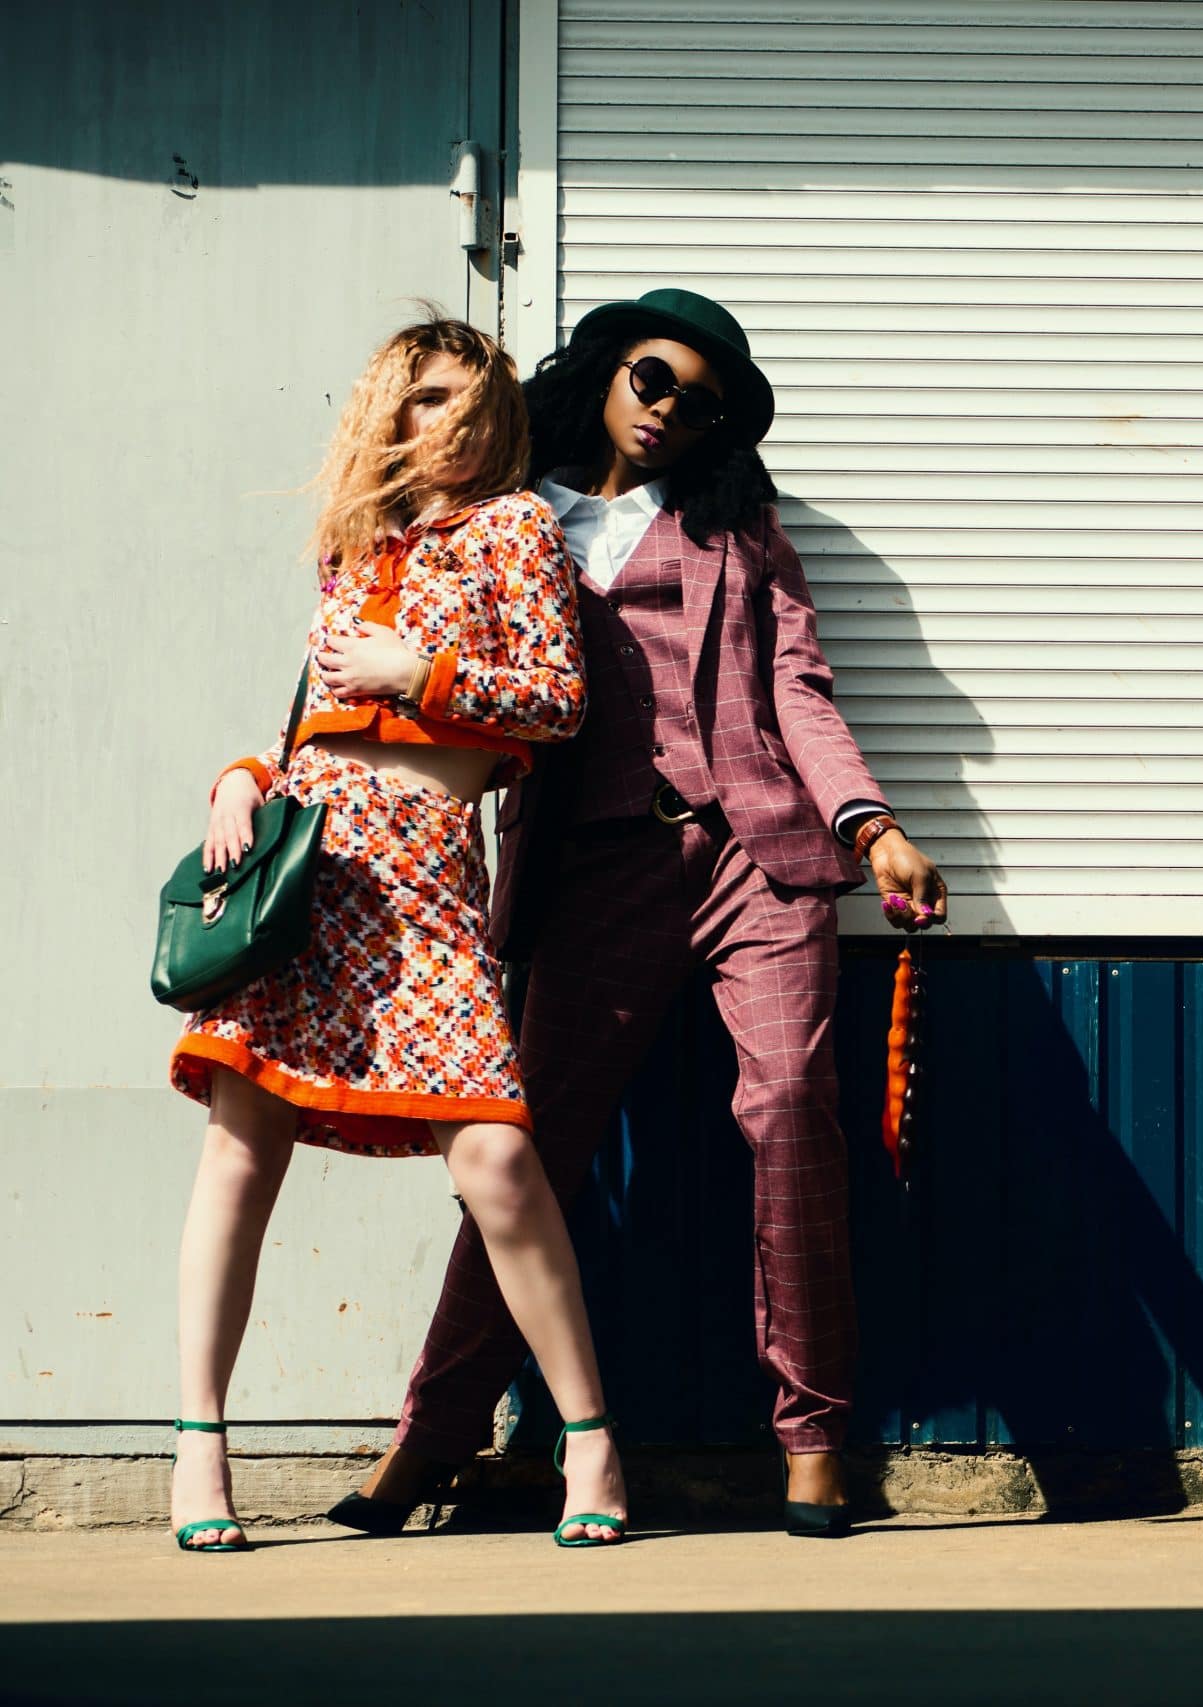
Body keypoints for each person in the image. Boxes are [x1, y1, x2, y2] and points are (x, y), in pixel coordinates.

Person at [339, 288, 943, 1540]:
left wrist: (870, 824)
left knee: (788, 1115)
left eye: (702, 403)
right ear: (609, 373)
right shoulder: (508, 518)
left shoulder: (738, 526)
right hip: (590, 868)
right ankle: (433, 1439)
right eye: (654, 379)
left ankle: (816, 1440)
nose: (672, 410)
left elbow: (800, 691)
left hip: (754, 856)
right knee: (524, 1154)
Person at [170, 316, 627, 1550]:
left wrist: (417, 671)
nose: (450, 423)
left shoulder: (517, 526)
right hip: (311, 865)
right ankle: (200, 1451)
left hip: (422, 879)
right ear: (385, 412)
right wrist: (237, 778)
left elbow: (557, 699)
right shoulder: (351, 542)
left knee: (494, 1161)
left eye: (470, 402)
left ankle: (590, 1446)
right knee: (239, 1151)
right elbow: (306, 713)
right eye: (424, 399)